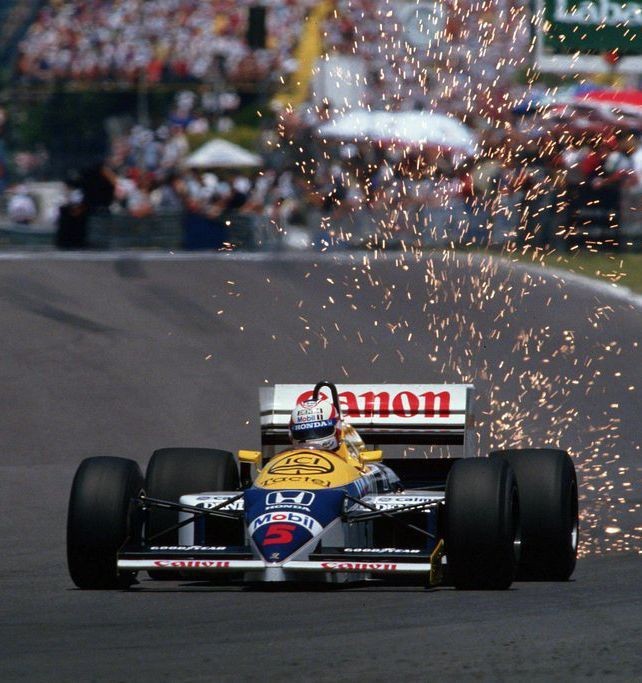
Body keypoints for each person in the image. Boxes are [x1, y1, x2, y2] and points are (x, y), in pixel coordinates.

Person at [288, 396, 365, 460]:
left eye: (320, 431)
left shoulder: (351, 457)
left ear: (337, 429)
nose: (312, 441)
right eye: (303, 433)